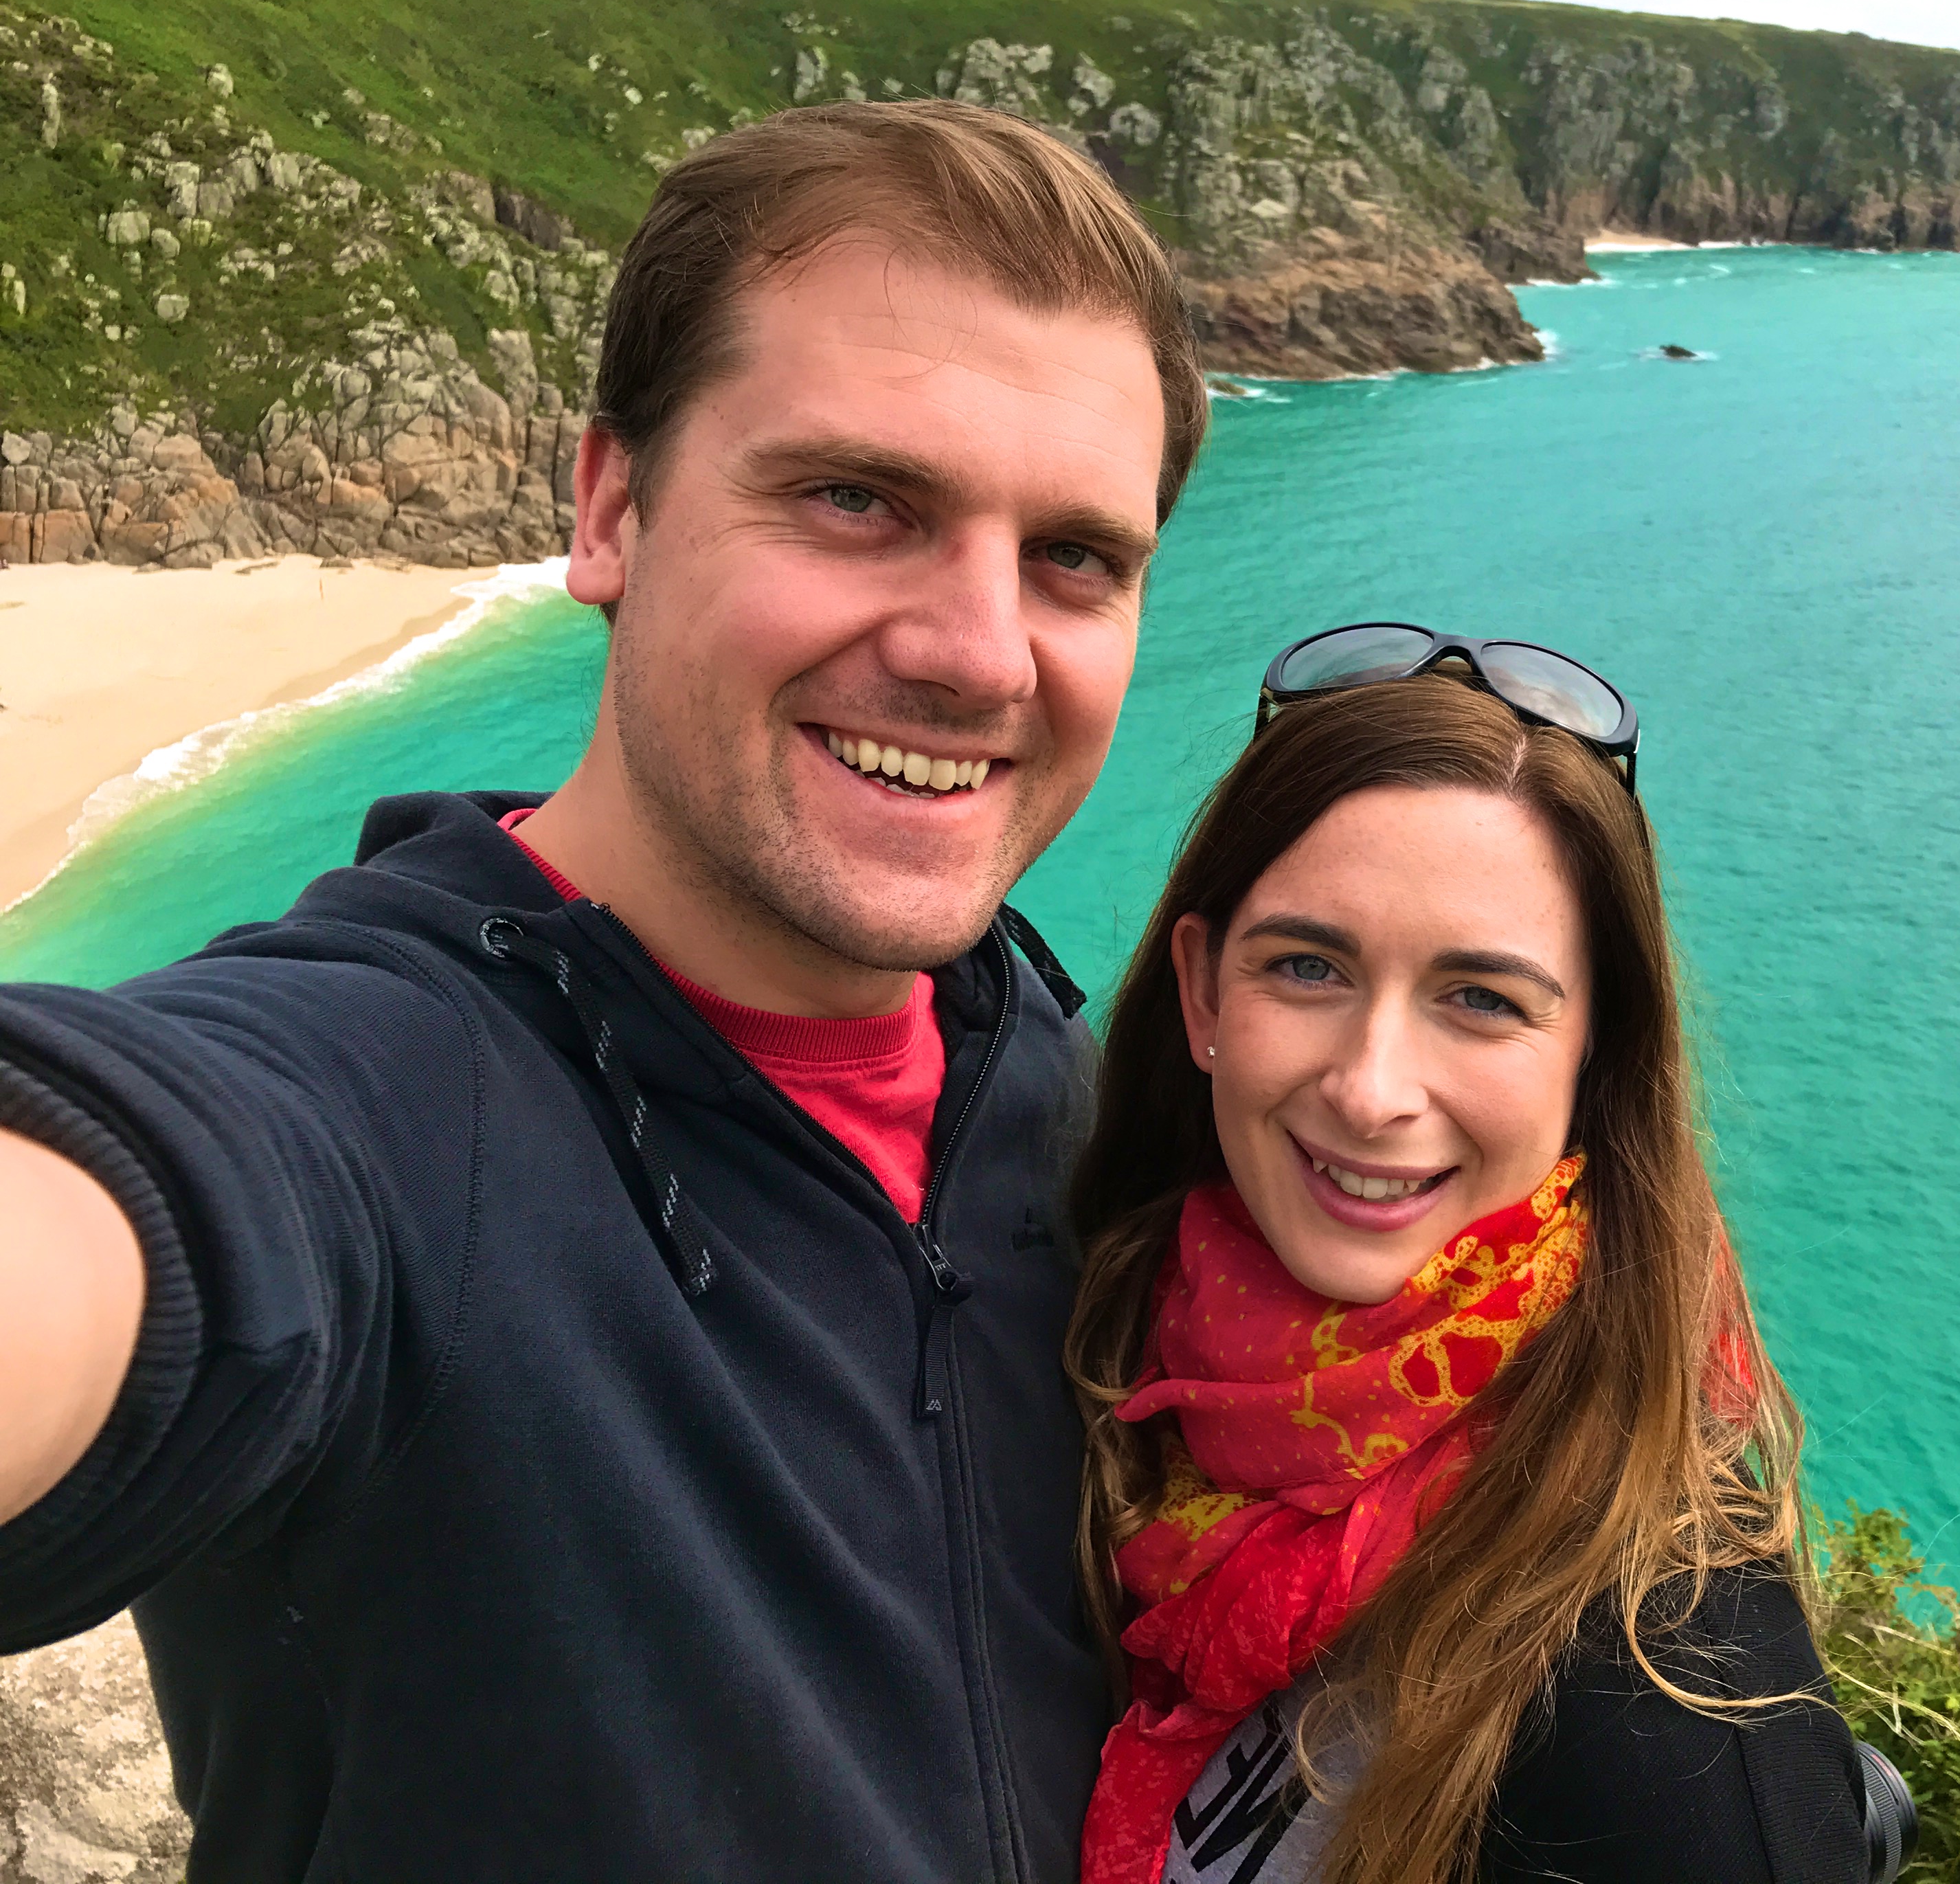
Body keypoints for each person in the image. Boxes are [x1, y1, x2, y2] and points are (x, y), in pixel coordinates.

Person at [0, 100, 1208, 1881]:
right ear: (614, 510)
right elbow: (136, 1204)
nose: (979, 653)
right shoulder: (390, 1097)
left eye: (1074, 559)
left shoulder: (1036, 1062)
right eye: (856, 500)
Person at [1061, 630, 1882, 1884]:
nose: (1372, 1088)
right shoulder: (1103, 1330)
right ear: (1203, 993)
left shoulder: (1668, 1722)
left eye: (1483, 1000)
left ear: (1595, 1057)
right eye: (1307, 966)